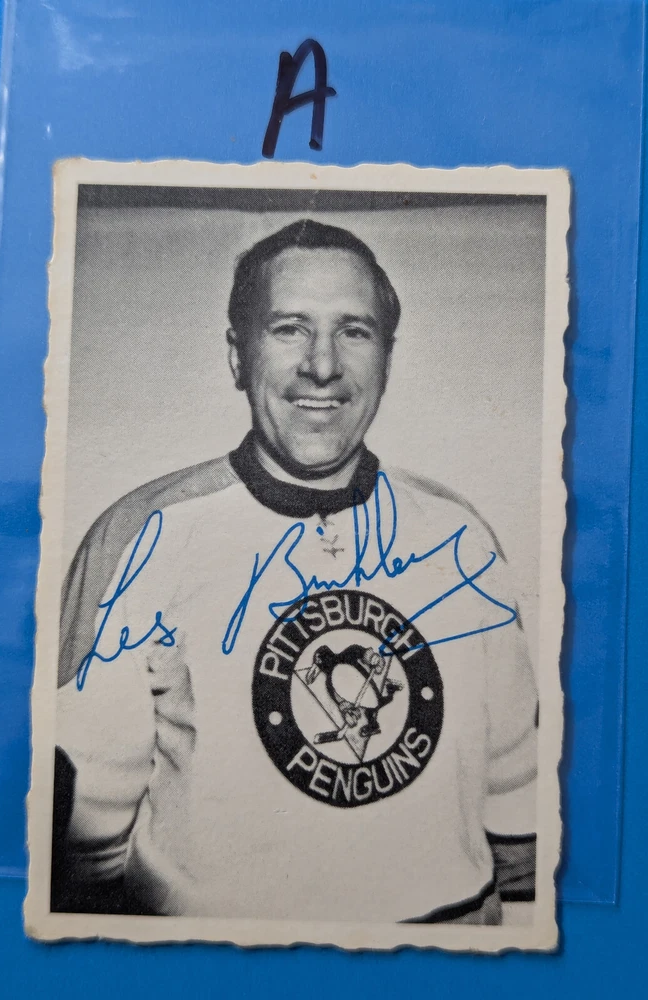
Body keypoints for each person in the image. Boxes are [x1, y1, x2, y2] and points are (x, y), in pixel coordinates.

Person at [53, 220, 538, 925]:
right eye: (289, 329)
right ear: (237, 355)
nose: (322, 366)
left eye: (354, 331)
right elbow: (84, 829)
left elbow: (516, 786)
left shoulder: (459, 534)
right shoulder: (142, 534)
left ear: (387, 357)